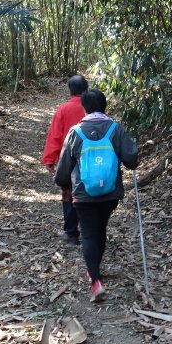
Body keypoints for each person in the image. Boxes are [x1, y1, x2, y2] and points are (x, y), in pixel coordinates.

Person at [55, 88, 138, 303]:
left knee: (89, 233)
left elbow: (65, 166)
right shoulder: (115, 129)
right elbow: (131, 159)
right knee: (99, 229)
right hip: (110, 194)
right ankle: (94, 270)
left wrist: (63, 184)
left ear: (84, 107)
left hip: (83, 194)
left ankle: (95, 280)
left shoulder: (76, 131)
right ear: (105, 106)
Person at [42, 75, 88, 245]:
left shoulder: (63, 109)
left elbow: (55, 135)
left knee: (68, 193)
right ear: (86, 89)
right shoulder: (92, 106)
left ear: (70, 91)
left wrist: (50, 159)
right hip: (91, 158)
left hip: (68, 159)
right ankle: (89, 231)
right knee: (88, 193)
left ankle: (71, 232)